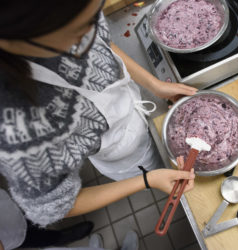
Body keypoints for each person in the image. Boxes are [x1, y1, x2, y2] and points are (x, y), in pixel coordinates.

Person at [0, 0, 197, 228]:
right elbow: (56, 206)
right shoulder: (18, 131)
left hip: (134, 106)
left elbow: (102, 44)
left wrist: (155, 85)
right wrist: (147, 180)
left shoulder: (71, 17)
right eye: (79, 31)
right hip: (124, 153)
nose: (93, 29)